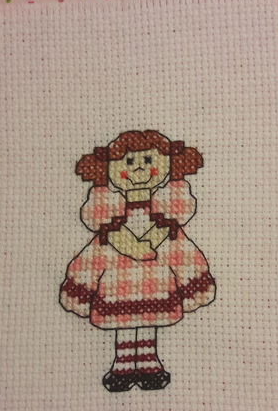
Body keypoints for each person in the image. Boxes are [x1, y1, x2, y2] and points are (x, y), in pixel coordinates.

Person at [60, 130, 215, 392]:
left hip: (155, 275)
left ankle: (149, 362)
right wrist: (125, 248)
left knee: (148, 316)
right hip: (117, 275)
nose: (139, 168)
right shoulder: (110, 218)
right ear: (110, 169)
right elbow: (100, 243)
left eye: (148, 160)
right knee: (123, 318)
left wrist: (156, 248)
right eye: (129, 162)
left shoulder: (164, 216)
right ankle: (122, 364)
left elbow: (174, 239)